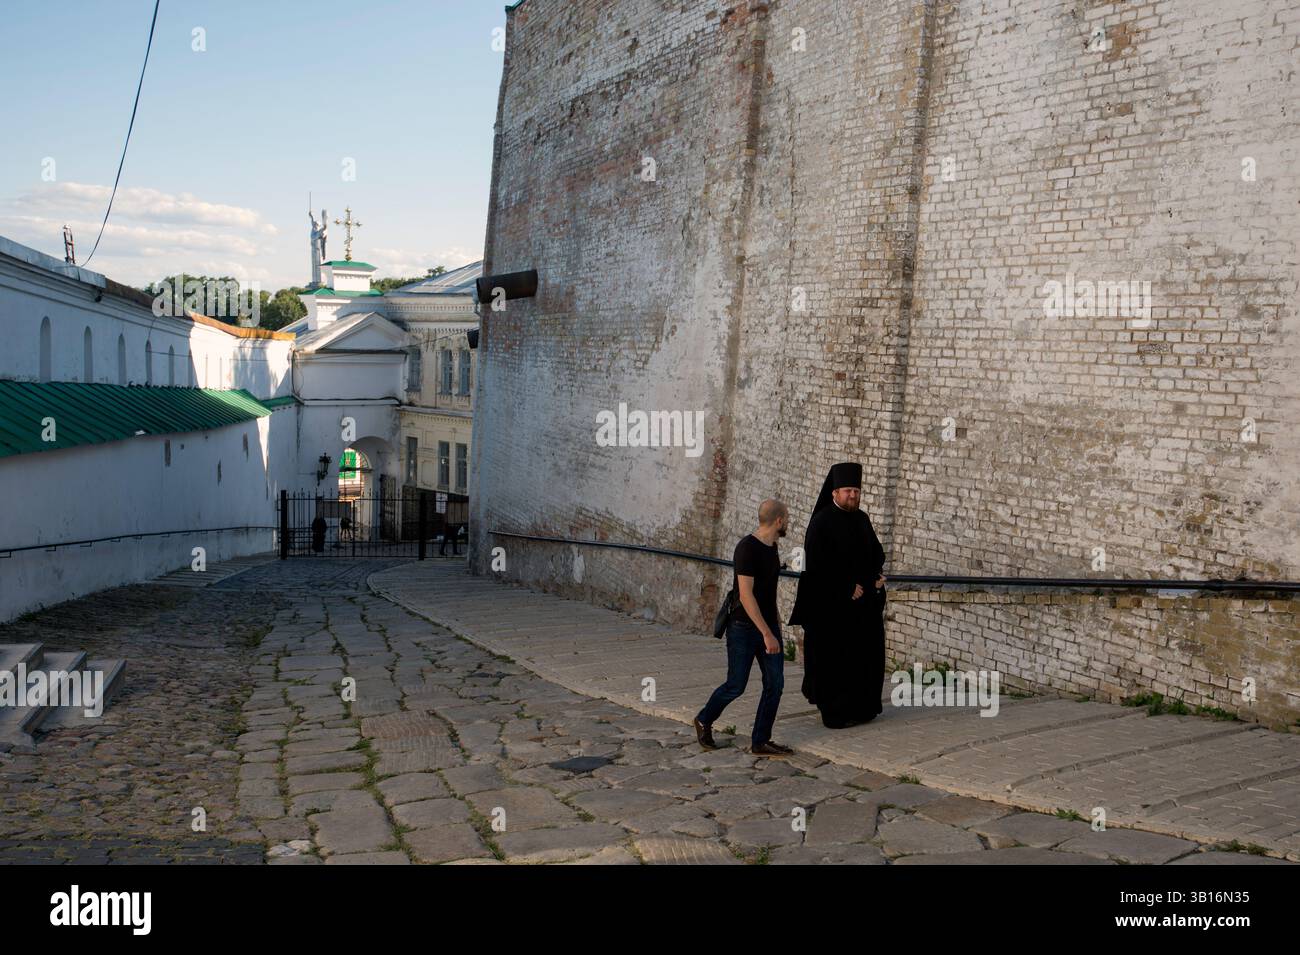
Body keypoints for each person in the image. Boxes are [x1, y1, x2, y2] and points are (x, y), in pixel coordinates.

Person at [788, 462, 887, 728]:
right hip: (831, 610)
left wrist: (874, 578)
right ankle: (835, 713)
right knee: (835, 662)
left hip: (862, 607)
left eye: (856, 490)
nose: (852, 496)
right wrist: (846, 587)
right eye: (847, 491)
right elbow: (817, 567)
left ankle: (863, 708)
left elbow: (875, 554)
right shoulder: (821, 523)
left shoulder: (862, 519)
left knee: (864, 658)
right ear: (834, 493)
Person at [694, 499, 794, 757]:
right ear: (779, 520)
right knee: (736, 685)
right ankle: (704, 719)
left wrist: (776, 627)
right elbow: (747, 596)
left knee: (776, 684)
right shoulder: (747, 548)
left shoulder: (772, 547)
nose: (789, 522)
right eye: (787, 518)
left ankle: (760, 741)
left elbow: (768, 594)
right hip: (743, 627)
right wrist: (767, 633)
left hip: (768, 626)